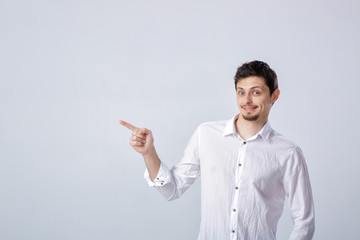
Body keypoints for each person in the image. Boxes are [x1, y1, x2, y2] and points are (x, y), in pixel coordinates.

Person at [120, 60, 315, 240]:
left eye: (256, 92)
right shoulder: (205, 134)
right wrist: (149, 153)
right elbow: (172, 190)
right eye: (241, 92)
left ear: (274, 95)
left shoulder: (288, 152)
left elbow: (304, 222)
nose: (247, 100)